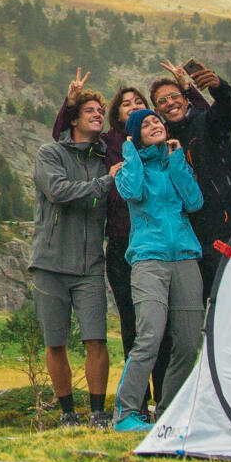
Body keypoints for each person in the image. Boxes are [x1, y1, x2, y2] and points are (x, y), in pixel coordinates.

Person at [109, 107, 205, 432]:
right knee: (149, 335)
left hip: (185, 257)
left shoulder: (176, 162)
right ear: (135, 135)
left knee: (190, 342)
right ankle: (125, 415)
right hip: (148, 259)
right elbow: (131, 192)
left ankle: (168, 414)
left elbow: (194, 202)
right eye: (145, 124)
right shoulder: (130, 169)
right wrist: (130, 151)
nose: (155, 125)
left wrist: (177, 161)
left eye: (156, 121)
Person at [50, 72, 147, 388]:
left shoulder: (161, 137)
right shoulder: (111, 143)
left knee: (164, 324)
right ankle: (137, 402)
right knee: (131, 324)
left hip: (156, 240)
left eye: (139, 102)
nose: (133, 107)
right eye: (126, 104)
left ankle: (167, 398)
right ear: (117, 116)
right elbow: (62, 133)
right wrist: (71, 102)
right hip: (121, 238)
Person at [28, 87, 113, 427]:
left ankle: (97, 413)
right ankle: (67, 414)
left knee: (97, 337)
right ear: (74, 118)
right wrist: (105, 184)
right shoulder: (49, 154)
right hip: (50, 263)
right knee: (55, 341)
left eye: (100, 111)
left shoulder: (105, 158)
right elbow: (59, 191)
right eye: (90, 110)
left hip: (91, 264)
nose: (97, 114)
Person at [149, 59, 231, 296]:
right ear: (156, 111)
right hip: (190, 240)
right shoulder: (162, 143)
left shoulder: (207, 123)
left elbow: (227, 110)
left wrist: (219, 86)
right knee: (203, 308)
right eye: (162, 101)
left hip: (228, 229)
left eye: (174, 96)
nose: (170, 103)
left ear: (185, 99)